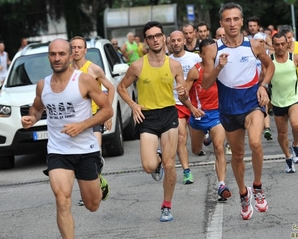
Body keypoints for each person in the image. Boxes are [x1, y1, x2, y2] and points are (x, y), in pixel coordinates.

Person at [21, 39, 112, 238]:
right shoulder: (43, 85)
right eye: (53, 54)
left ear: (70, 56)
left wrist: (82, 125)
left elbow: (107, 110)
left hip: (86, 150)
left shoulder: (84, 80)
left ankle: (98, 179)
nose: (57, 58)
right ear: (49, 57)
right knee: (62, 200)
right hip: (58, 151)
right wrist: (31, 118)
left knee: (92, 205)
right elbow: (37, 109)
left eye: (62, 54)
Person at [201, 2, 275, 220]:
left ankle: (258, 187)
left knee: (255, 143)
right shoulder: (213, 50)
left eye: (236, 19)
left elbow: (269, 66)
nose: (232, 23)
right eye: (227, 20)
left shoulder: (255, 45)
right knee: (239, 154)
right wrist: (219, 67)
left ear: (242, 21)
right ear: (221, 23)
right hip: (229, 108)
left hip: (252, 102)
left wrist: (263, 86)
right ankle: (244, 193)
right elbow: (205, 83)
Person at [117, 21, 188, 222]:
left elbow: (182, 94)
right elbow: (121, 87)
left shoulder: (174, 65)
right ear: (146, 41)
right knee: (149, 166)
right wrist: (133, 105)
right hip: (147, 116)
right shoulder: (137, 65)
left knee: (170, 164)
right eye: (151, 37)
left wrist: (183, 92)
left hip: (168, 114)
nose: (155, 40)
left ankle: (166, 206)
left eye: (158, 35)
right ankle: (156, 162)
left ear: (163, 38)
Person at [180, 38, 231, 200]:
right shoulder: (195, 71)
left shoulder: (222, 69)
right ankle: (204, 138)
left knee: (219, 148)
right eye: (208, 52)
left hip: (217, 114)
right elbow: (183, 96)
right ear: (201, 54)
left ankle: (221, 184)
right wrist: (192, 109)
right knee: (195, 150)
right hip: (199, 116)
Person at [70, 36, 115, 206]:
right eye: (73, 47)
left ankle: (95, 186)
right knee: (78, 158)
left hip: (94, 117)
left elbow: (110, 87)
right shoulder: (67, 72)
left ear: (85, 50)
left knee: (94, 152)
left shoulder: (94, 69)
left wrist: (108, 113)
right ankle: (90, 189)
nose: (76, 50)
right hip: (77, 121)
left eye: (79, 47)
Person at [270, 32, 298, 172]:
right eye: (277, 44)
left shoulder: (294, 58)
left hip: (294, 98)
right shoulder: (269, 61)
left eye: (283, 43)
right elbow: (262, 78)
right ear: (273, 45)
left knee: (296, 124)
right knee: (282, 134)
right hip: (277, 101)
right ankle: (288, 158)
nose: (280, 47)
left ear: (287, 43)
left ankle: (295, 145)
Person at [169, 30, 202, 185]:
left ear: (184, 41)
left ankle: (204, 138)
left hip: (196, 103)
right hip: (177, 104)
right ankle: (186, 171)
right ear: (169, 43)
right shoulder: (166, 61)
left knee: (197, 145)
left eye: (178, 40)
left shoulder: (195, 57)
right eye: (173, 41)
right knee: (181, 137)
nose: (176, 43)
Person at [253, 32, 274, 141]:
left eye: (262, 41)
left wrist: (264, 80)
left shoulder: (266, 54)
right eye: (258, 41)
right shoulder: (250, 52)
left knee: (264, 103)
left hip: (263, 83)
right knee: (262, 105)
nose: (260, 43)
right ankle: (265, 128)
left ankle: (267, 128)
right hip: (252, 85)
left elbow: (270, 67)